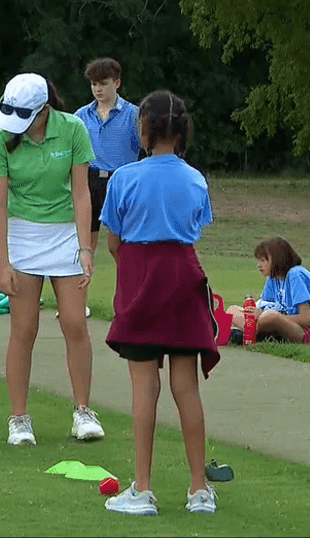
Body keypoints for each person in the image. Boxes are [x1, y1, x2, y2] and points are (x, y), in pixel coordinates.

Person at [100, 90, 220, 516]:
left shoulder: (123, 179)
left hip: (139, 277)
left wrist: (136, 272)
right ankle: (199, 490)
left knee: (143, 386)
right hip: (184, 278)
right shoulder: (195, 179)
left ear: (144, 130)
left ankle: (143, 488)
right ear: (182, 131)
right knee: (186, 387)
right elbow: (192, 232)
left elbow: (114, 242)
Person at [0, 72, 105, 446]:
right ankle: (19, 418)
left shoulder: (72, 130)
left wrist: (86, 247)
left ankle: (83, 411)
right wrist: (2, 264)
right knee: (24, 329)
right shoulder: (0, 139)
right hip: (22, 234)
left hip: (66, 234)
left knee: (74, 323)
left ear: (44, 111)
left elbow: (82, 193)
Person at [74, 58, 141, 255]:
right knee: (86, 244)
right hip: (90, 181)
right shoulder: (81, 116)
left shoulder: (134, 115)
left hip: (123, 182)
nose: (98, 89)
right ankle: (81, 283)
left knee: (120, 246)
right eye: (94, 84)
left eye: (103, 83)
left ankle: (128, 285)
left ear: (117, 83)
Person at [225, 238, 310, 345]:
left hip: (308, 333)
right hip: (277, 324)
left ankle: (247, 334)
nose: (259, 265)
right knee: (232, 310)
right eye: (258, 260)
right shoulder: (273, 278)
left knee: (270, 317)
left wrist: (263, 316)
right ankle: (252, 334)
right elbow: (265, 305)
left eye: (263, 260)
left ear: (277, 259)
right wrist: (253, 312)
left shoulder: (295, 275)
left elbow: (306, 320)